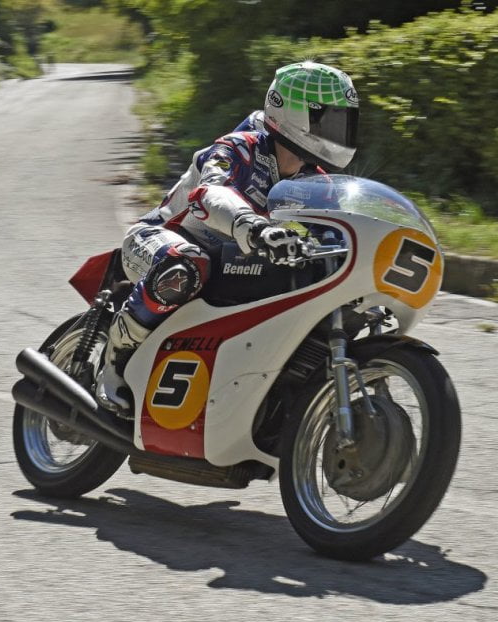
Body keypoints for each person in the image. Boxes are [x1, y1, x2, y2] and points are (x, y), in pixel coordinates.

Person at [96, 61, 360, 413]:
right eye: (327, 119)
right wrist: (254, 226)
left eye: (343, 121)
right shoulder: (238, 148)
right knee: (188, 264)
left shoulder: (319, 183)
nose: (337, 131)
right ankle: (115, 359)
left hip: (236, 264)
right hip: (160, 240)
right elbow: (208, 195)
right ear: (293, 113)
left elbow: (338, 230)